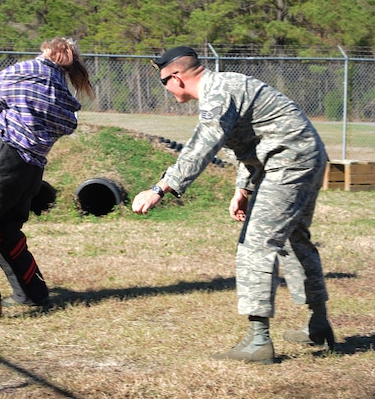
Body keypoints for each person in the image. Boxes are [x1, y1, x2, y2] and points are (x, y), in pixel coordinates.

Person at [131, 46, 335, 363]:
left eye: (163, 82)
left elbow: (203, 144)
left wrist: (160, 188)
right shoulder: (226, 85)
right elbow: (251, 140)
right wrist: (243, 188)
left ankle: (259, 341)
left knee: (256, 243)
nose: (166, 88)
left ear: (177, 77)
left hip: (288, 163)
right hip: (304, 156)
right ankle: (318, 325)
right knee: (295, 241)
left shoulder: (218, 92)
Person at [0, 37, 94, 312]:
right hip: (33, 168)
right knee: (4, 228)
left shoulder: (26, 70)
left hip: (5, 155)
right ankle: (32, 293)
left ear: (48, 50)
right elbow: (67, 125)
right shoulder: (62, 89)